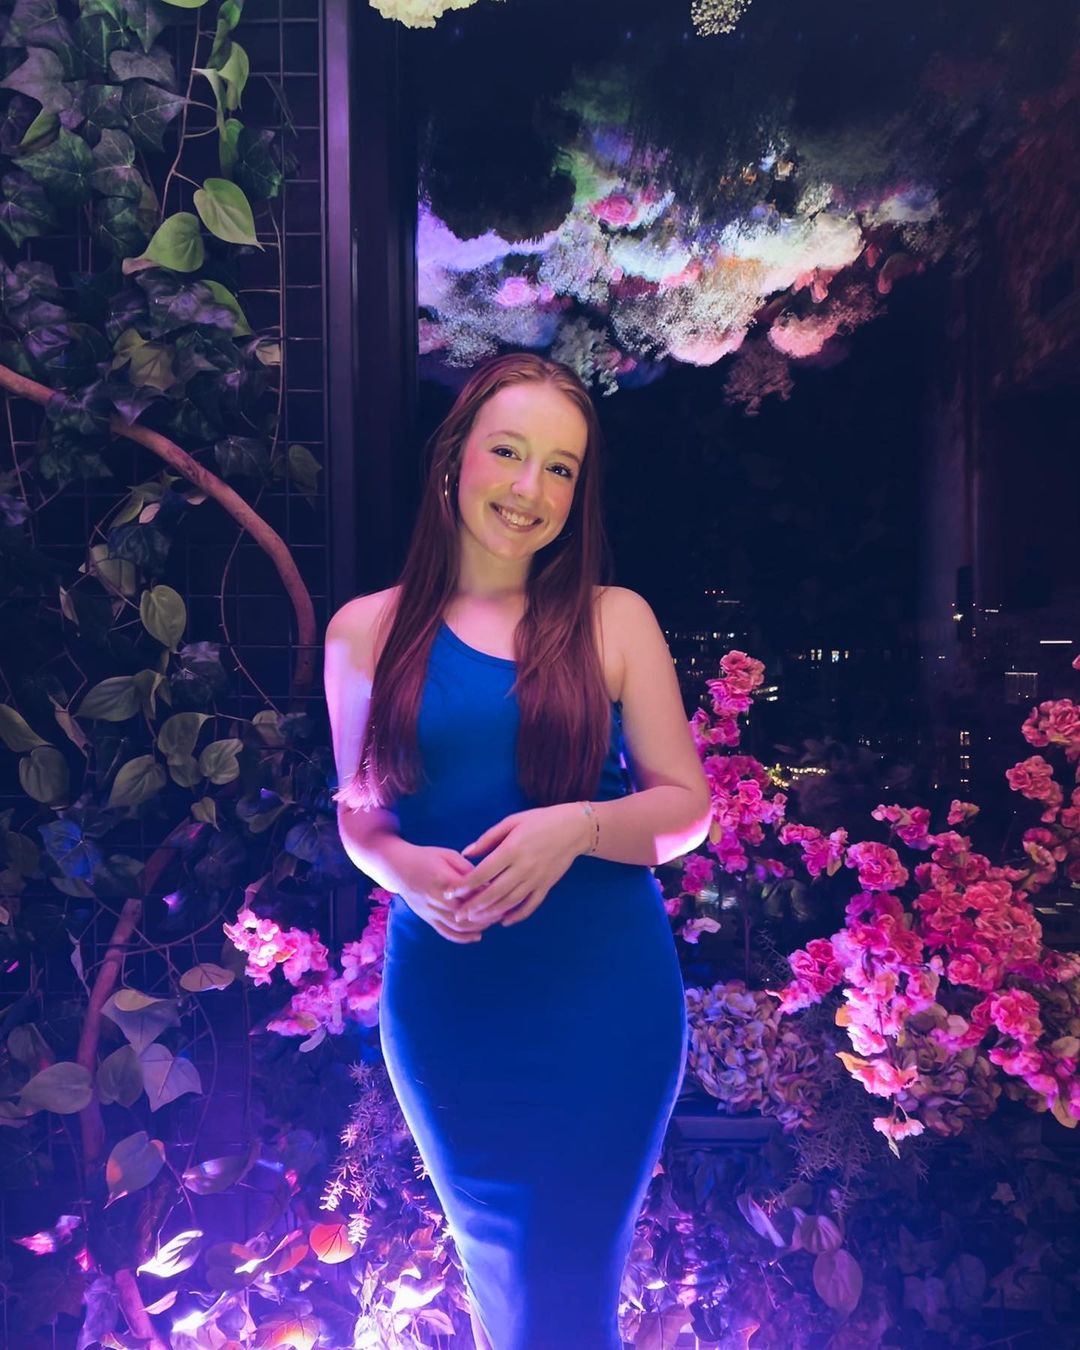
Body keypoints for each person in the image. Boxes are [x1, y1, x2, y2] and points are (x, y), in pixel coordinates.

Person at [324, 352, 711, 1350]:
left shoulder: (614, 620)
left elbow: (686, 812)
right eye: (508, 452)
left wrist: (577, 826)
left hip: (605, 1007)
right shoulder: (364, 632)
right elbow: (361, 815)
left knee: (563, 1289)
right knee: (499, 1273)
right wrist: (403, 869)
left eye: (561, 468)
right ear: (455, 456)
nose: (530, 487)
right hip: (451, 1009)